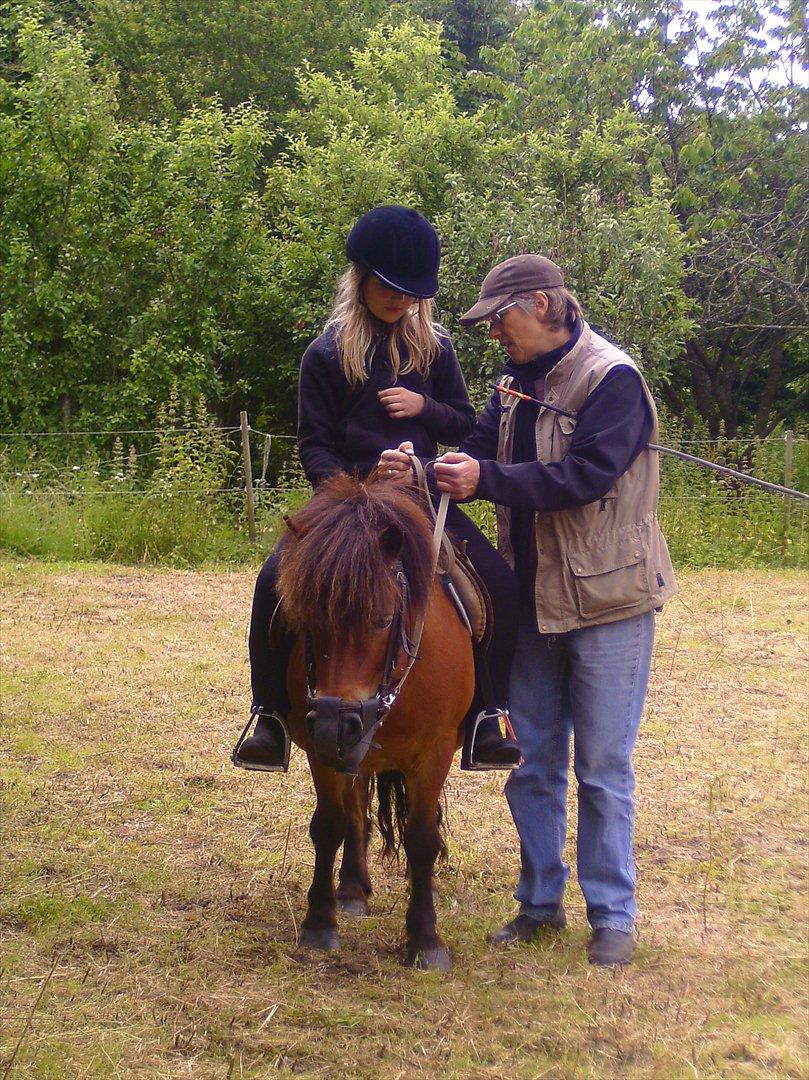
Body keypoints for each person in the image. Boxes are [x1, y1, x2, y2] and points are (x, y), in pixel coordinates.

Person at [387, 253, 678, 966]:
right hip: (531, 601)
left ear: (542, 304)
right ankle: (539, 905)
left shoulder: (613, 379)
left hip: (609, 600)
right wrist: (425, 469)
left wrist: (487, 479)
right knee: (532, 761)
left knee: (602, 767)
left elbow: (583, 476)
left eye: (500, 319)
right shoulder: (513, 382)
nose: (494, 335)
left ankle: (611, 916)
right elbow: (479, 452)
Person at [233, 206, 521, 773]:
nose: (400, 300)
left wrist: (424, 407)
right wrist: (354, 485)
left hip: (422, 496)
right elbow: (313, 444)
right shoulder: (325, 354)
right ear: (359, 278)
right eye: (390, 287)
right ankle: (266, 714)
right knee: (272, 580)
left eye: (412, 293)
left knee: (500, 586)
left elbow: (466, 424)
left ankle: (491, 714)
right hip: (345, 500)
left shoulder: (436, 349)